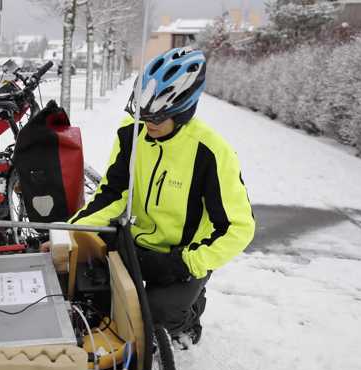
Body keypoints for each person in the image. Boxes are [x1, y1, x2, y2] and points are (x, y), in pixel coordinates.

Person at [68, 47, 255, 348]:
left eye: (158, 115)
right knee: (88, 289)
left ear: (183, 110)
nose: (148, 122)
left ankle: (190, 313)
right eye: (143, 112)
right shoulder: (132, 134)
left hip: (182, 257)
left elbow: (238, 227)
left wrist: (190, 262)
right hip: (137, 244)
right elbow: (114, 192)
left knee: (153, 316)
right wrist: (72, 229)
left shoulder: (210, 152)